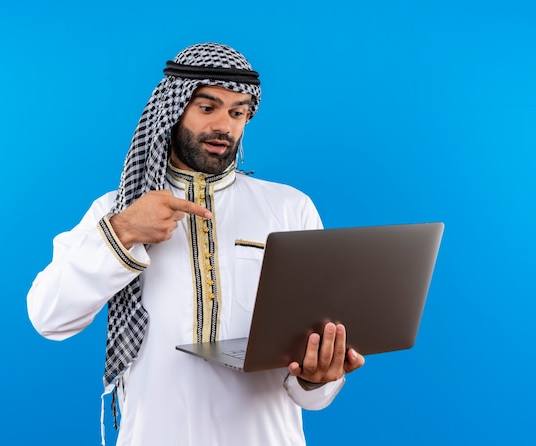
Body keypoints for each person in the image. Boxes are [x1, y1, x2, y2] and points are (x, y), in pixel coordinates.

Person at [27, 42, 365, 446]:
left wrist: (318, 378)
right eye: (208, 108)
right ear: (172, 110)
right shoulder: (116, 209)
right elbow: (49, 317)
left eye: (238, 112)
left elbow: (311, 390)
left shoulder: (290, 209)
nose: (224, 125)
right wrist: (124, 230)